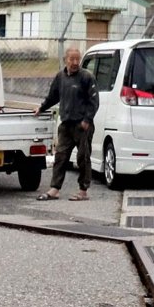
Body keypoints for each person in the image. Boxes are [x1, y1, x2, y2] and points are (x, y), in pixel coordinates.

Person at [37, 46, 99, 202]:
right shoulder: (60, 77)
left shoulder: (87, 77)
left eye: (78, 59)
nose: (75, 62)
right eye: (72, 59)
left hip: (82, 126)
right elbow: (53, 97)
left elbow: (94, 102)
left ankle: (83, 190)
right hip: (66, 125)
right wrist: (41, 108)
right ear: (66, 60)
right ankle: (55, 189)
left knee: (83, 157)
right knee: (60, 157)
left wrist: (87, 120)